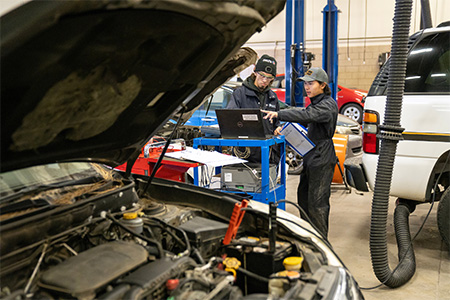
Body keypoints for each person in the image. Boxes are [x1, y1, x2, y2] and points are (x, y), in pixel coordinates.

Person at [262, 67, 338, 238]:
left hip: (322, 157)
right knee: (304, 199)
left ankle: (321, 243)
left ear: (323, 85)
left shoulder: (327, 104)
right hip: (311, 155)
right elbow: (307, 121)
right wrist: (284, 128)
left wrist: (279, 114)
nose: (307, 87)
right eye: (305, 84)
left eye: (311, 83)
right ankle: (308, 235)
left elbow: (306, 115)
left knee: (317, 203)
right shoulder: (317, 103)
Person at [227, 54, 282, 163]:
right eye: (262, 75)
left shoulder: (272, 97)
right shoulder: (240, 94)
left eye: (269, 78)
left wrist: (278, 128)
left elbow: (277, 122)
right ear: (255, 72)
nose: (265, 80)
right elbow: (230, 119)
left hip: (268, 153)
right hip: (245, 154)